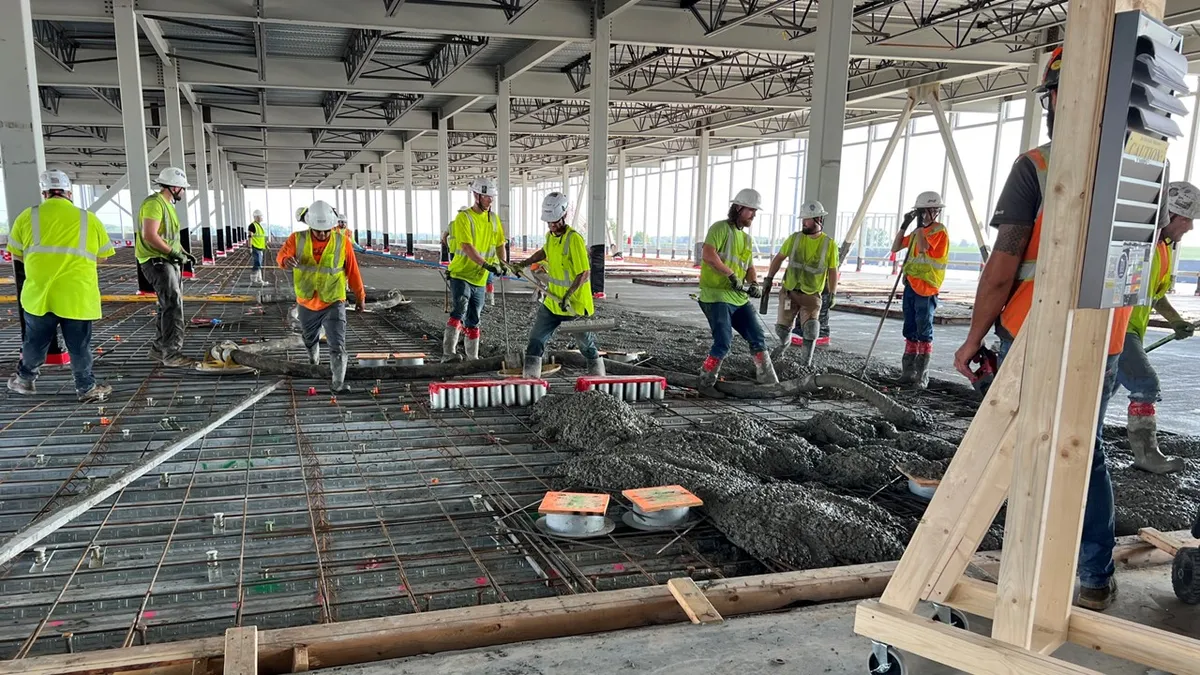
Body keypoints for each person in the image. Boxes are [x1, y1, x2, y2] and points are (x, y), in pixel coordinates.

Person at [952, 46, 1129, 611]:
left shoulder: (1037, 166)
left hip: (1034, 335)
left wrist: (974, 336)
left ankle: (1026, 576)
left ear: (1059, 98)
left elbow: (1004, 267)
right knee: (1086, 450)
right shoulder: (1141, 169)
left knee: (1025, 450)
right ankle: (1093, 576)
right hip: (1105, 339)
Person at [5, 170, 115, 402]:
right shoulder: (88, 218)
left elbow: (16, 253)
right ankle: (86, 388)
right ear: (69, 193)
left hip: (40, 294)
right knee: (79, 345)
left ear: (44, 193)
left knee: (35, 341)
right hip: (77, 294)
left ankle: (25, 381)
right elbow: (104, 256)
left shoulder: (28, 216)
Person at [1117, 181, 1199, 473]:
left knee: (1098, 396)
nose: (1189, 228)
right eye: (1187, 219)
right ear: (1171, 215)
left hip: (1132, 331)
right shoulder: (1139, 245)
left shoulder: (1163, 251)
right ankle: (1146, 455)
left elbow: (1156, 294)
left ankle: (1086, 445)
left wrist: (1175, 320)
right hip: (1117, 330)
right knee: (1145, 384)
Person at [511, 192, 604, 378]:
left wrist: (568, 296)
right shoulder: (550, 236)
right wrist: (524, 263)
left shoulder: (574, 239)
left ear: (564, 216)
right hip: (552, 303)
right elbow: (544, 252)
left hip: (573, 306)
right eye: (549, 222)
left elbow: (584, 273)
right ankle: (530, 381)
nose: (552, 225)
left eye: (555, 221)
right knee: (535, 341)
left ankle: (598, 378)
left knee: (586, 346)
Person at [277, 201, 365, 393]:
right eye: (318, 231)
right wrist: (285, 261)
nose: (323, 234)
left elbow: (353, 271)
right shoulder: (296, 239)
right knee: (310, 338)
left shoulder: (343, 242)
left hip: (334, 300)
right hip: (307, 301)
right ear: (310, 225)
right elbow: (281, 257)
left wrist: (360, 297)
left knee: (337, 344)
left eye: (326, 230)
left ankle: (338, 384)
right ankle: (313, 360)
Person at [697, 189, 778, 391]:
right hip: (715, 296)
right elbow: (708, 254)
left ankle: (768, 381)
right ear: (739, 208)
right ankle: (705, 381)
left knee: (758, 338)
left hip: (738, 298)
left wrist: (754, 284)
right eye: (751, 210)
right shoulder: (720, 228)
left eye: (755, 211)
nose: (754, 215)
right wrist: (730, 275)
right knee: (723, 341)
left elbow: (749, 267)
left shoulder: (747, 239)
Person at [764, 200, 839, 364]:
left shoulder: (829, 244)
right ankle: (784, 344)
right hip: (790, 293)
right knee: (782, 329)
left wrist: (832, 293)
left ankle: (806, 363)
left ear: (818, 219)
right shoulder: (795, 238)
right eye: (803, 219)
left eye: (807, 219)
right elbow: (779, 258)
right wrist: (769, 278)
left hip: (811, 296)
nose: (804, 222)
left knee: (811, 330)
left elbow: (833, 271)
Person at [137, 166, 196, 367]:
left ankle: (158, 349)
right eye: (182, 188)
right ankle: (171, 354)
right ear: (173, 187)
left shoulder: (167, 205)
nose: (183, 192)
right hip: (157, 260)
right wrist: (172, 253)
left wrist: (183, 253)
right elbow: (150, 235)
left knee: (167, 305)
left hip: (167, 260)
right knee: (172, 305)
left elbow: (170, 237)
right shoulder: (154, 204)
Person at [891, 191, 950, 388]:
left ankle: (922, 375)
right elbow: (896, 247)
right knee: (910, 328)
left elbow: (925, 248)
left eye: (930, 210)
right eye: (923, 211)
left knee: (924, 328)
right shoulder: (917, 232)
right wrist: (904, 226)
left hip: (927, 287)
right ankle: (908, 372)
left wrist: (918, 230)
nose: (926, 214)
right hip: (911, 286)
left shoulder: (938, 231)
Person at [443, 178, 507, 361]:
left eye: (492, 196)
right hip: (461, 274)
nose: (491, 200)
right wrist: (486, 265)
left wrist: (503, 264)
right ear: (477, 196)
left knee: (474, 317)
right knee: (460, 309)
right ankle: (448, 354)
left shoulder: (493, 219)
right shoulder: (464, 218)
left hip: (479, 278)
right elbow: (467, 247)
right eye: (487, 196)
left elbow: (500, 244)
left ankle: (473, 359)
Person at [248, 209, 268, 286]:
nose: (262, 217)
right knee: (257, 264)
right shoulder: (252, 225)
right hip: (255, 247)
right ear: (256, 217)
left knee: (259, 264)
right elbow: (250, 236)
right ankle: (254, 280)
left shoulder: (258, 225)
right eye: (261, 216)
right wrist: (249, 247)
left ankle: (259, 280)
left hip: (259, 248)